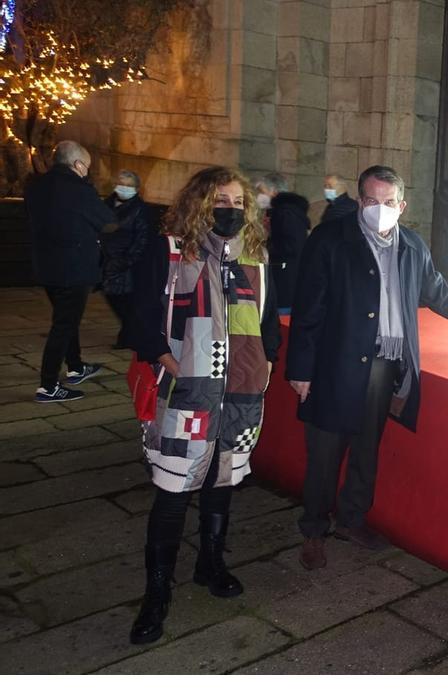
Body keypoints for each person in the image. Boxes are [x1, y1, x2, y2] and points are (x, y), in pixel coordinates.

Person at [286, 165, 448, 570]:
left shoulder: (412, 245)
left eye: (389, 202)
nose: (381, 209)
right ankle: (313, 530)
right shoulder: (331, 240)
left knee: (365, 447)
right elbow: (309, 307)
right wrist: (301, 369)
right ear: (360, 201)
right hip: (335, 363)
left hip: (384, 365)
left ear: (402, 205)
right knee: (326, 453)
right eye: (373, 201)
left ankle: (351, 520)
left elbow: (436, 289)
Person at [127, 166, 280, 645]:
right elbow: (140, 317)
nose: (230, 210)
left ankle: (210, 563)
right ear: (199, 203)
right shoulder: (172, 250)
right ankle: (156, 592)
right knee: (173, 489)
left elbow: (268, 319)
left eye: (237, 203)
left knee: (223, 481)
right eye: (220, 201)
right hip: (187, 391)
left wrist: (268, 360)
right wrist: (168, 360)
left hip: (240, 394)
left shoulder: (255, 256)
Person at [24, 140, 115, 403]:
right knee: (64, 324)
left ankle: (76, 367)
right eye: (86, 166)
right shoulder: (79, 189)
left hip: (46, 266)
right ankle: (48, 385)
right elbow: (107, 221)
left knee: (66, 318)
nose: (87, 171)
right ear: (77, 165)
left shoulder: (35, 186)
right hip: (74, 268)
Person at [101, 170, 152, 349]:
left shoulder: (139, 209)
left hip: (125, 264)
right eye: (122, 183)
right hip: (106, 261)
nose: (124, 187)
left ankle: (129, 337)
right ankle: (129, 335)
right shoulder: (107, 204)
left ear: (137, 189)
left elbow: (142, 239)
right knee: (114, 298)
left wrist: (125, 261)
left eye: (129, 185)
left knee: (125, 302)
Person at [254, 172, 310, 314]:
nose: (258, 196)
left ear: (274, 191)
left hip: (284, 281)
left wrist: (265, 247)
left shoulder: (285, 212)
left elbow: (291, 246)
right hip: (287, 279)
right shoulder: (285, 211)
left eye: (262, 191)